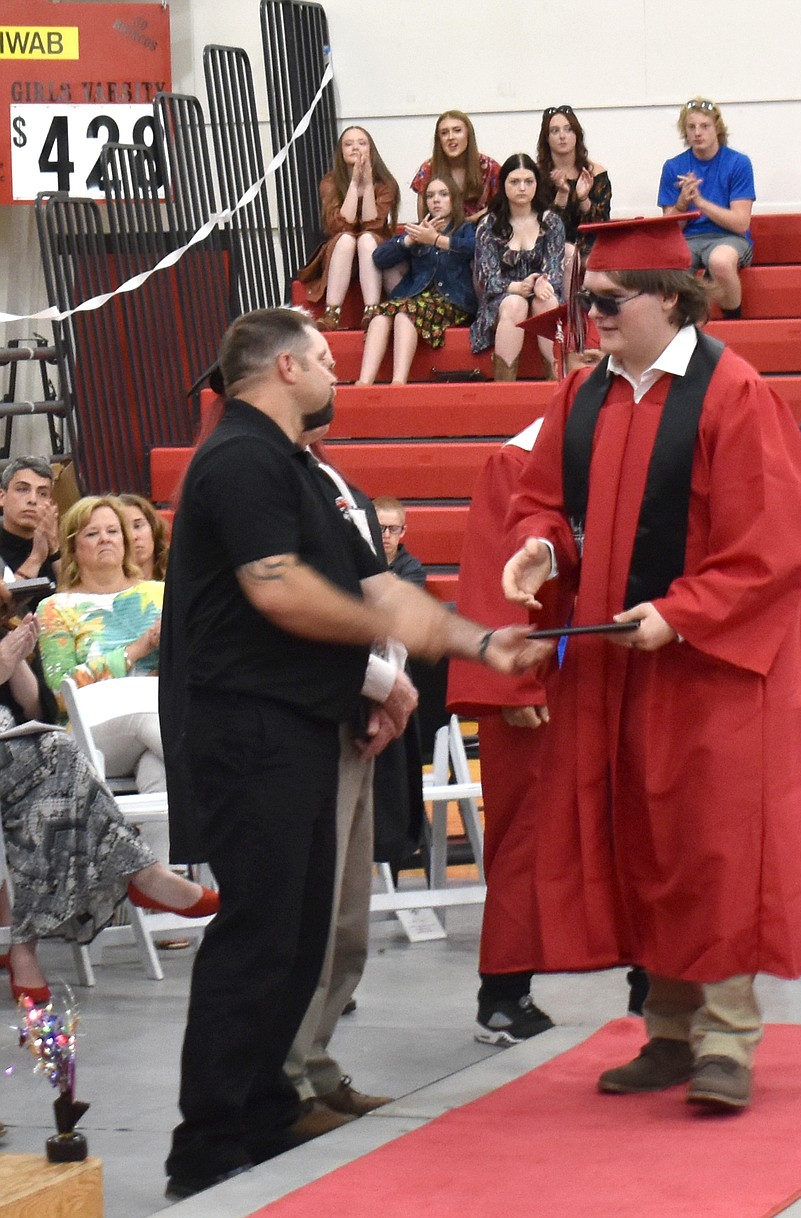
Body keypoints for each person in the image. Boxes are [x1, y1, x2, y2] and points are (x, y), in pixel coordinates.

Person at [160, 307, 549, 1200]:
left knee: (299, 936)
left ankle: (263, 1109)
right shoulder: (241, 457)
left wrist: (478, 641)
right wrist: (387, 633)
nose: (339, 374)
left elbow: (374, 582)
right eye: (328, 360)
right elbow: (277, 588)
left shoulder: (299, 466)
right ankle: (207, 1140)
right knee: (259, 933)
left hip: (298, 721)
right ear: (286, 368)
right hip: (247, 727)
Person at [499, 215, 801, 1112]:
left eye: (608, 301)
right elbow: (545, 503)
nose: (593, 315)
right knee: (643, 843)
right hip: (618, 670)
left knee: (712, 848)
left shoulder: (733, 394)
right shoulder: (582, 398)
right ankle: (669, 1030)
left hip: (711, 670)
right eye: (588, 300)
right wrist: (540, 549)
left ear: (667, 298)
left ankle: (728, 1040)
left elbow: (772, 546)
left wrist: (680, 615)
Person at [281, 426, 413, 1140]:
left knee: (349, 916)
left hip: (362, 706)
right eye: (320, 360)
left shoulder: (335, 481)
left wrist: (392, 680)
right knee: (311, 911)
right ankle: (288, 1081)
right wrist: (377, 681)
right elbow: (295, 612)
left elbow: (378, 598)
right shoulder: (265, 482)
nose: (333, 373)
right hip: (309, 713)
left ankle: (320, 1063)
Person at [0, 592, 216, 1007]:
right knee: (56, 755)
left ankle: (25, 947)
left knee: (54, 774)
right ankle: (141, 876)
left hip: (16, 747)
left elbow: (36, 708)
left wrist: (19, 664)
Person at [446, 418, 555, 1044]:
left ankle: (652, 989)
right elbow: (494, 567)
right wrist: (514, 683)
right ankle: (505, 992)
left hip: (618, 665)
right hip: (543, 675)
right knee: (527, 833)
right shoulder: (518, 456)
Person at [36, 496, 166, 795]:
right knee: (152, 717)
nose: (104, 539)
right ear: (73, 548)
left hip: (156, 723)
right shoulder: (55, 607)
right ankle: (220, 776)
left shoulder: (162, 593)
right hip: (92, 727)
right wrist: (137, 649)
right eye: (92, 533)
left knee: (160, 779)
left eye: (112, 531)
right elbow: (60, 691)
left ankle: (158, 844)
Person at [363, 175, 477, 386]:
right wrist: (409, 240)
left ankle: (398, 382)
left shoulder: (464, 228)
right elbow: (379, 258)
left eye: (443, 194)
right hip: (416, 297)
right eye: (431, 196)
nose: (436, 200)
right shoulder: (416, 229)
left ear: (454, 199)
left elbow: (475, 248)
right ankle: (364, 382)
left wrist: (436, 240)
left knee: (404, 314)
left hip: (452, 300)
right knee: (380, 316)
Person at [370, 496, 427, 874]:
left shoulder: (413, 569)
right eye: (380, 528)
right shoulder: (360, 564)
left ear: (404, 532)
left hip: (398, 687)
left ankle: (397, 848)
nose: (386, 536)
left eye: (393, 529)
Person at [471, 153, 565, 380]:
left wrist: (537, 282)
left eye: (528, 182)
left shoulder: (551, 221)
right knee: (515, 304)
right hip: (501, 299)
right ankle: (505, 386)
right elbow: (487, 279)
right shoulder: (489, 225)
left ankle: (557, 380)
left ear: (536, 185)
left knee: (548, 301)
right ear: (503, 185)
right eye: (514, 182)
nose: (522, 188)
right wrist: (516, 287)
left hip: (542, 292)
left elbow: (554, 271)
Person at [657, 97, 754, 319]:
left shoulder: (738, 163)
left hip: (729, 237)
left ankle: (734, 322)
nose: (697, 133)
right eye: (691, 127)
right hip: (688, 239)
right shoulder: (674, 167)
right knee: (672, 263)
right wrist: (682, 203)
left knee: (719, 262)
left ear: (716, 129)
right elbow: (669, 231)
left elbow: (740, 223)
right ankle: (684, 327)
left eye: (704, 126)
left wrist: (700, 203)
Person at [297, 126, 399, 332]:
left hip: (374, 251)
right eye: (348, 144)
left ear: (371, 150)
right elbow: (340, 225)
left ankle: (371, 310)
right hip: (342, 253)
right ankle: (332, 312)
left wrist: (368, 183)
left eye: (362, 143)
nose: (355, 148)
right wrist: (354, 183)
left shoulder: (386, 183)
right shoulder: (330, 181)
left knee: (366, 239)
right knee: (346, 239)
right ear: (340, 152)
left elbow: (374, 225)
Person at [536, 105, 612, 267]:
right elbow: (544, 229)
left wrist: (583, 198)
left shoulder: (595, 173)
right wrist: (562, 194)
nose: (562, 136)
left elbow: (601, 225)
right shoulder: (536, 176)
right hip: (548, 250)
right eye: (555, 131)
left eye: (568, 129)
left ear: (577, 135)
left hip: (590, 248)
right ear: (547, 138)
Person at [410, 110, 500, 223]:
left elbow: (502, 206)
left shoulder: (490, 167)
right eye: (444, 133)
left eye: (457, 131)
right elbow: (424, 220)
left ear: (468, 134)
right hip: (440, 235)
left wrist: (471, 220)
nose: (451, 137)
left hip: (483, 234)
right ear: (439, 139)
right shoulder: (428, 168)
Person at [0, 456, 59, 591]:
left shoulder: (58, 548)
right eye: (22, 489)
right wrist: (36, 558)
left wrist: (55, 550)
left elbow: (79, 601)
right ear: (2, 497)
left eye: (42, 493)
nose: (32, 500)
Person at [119, 493, 169, 580]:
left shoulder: (179, 570)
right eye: (123, 530)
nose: (133, 536)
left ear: (153, 527)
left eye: (138, 526)